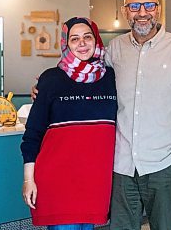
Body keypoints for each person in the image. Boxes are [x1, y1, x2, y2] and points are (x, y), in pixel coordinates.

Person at [32, 0, 171, 230]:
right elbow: (84, 71)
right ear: (126, 12)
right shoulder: (114, 49)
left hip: (164, 164)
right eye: (134, 6)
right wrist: (47, 88)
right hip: (121, 167)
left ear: (159, 10)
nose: (142, 12)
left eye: (149, 5)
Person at [21, 17, 117, 230]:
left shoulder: (112, 78)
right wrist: (29, 179)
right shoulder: (51, 79)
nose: (82, 43)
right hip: (58, 182)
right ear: (66, 43)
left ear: (96, 40)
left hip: (95, 182)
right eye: (74, 39)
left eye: (87, 37)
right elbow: (32, 133)